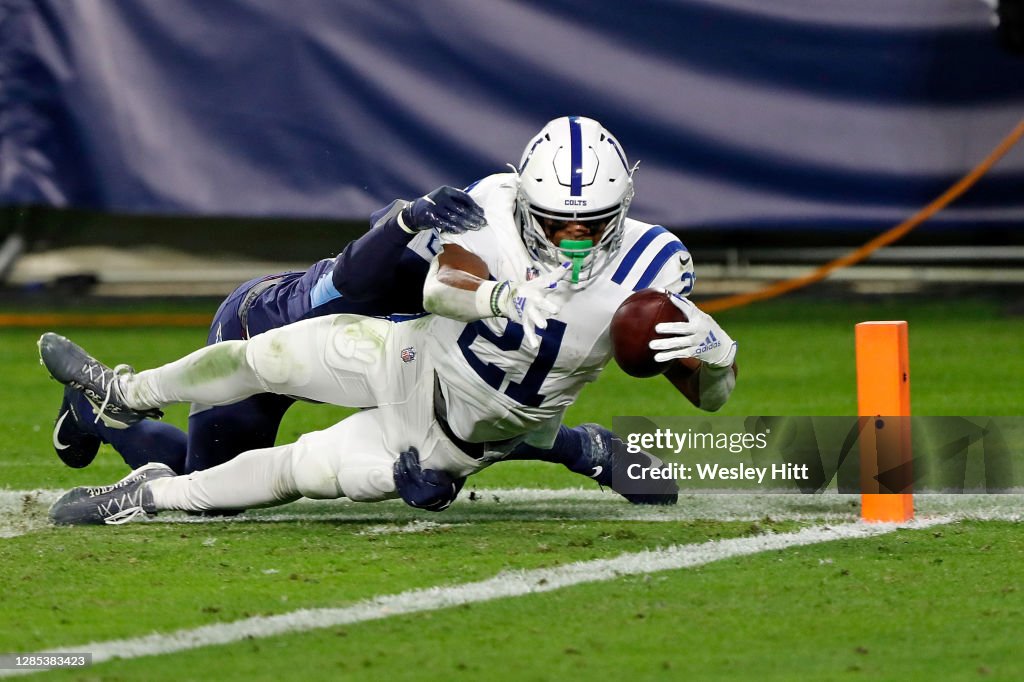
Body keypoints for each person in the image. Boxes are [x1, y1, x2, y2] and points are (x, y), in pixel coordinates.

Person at [41, 116, 738, 525]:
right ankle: (120, 393)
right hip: (408, 352)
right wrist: (499, 298)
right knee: (269, 354)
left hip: (450, 436)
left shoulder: (655, 264)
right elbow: (440, 284)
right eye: (558, 224)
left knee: (296, 470)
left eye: (593, 225)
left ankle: (149, 498)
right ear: (525, 199)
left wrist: (715, 355)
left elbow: (711, 395)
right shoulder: (492, 202)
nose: (574, 242)